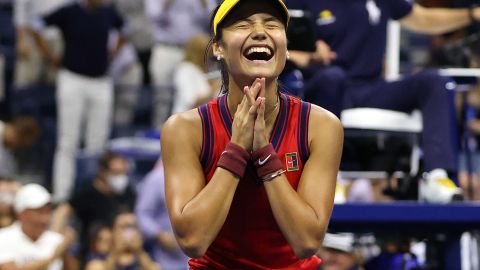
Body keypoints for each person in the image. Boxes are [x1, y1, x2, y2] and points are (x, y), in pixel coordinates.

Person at [160, 0, 343, 268]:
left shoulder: (321, 126)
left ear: (286, 47)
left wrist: (264, 154)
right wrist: (236, 149)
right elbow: (193, 240)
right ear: (218, 48)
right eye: (243, 24)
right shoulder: (185, 129)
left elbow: (306, 243)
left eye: (272, 24)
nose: (259, 31)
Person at [284, 0, 480, 201]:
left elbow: (423, 18)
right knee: (333, 78)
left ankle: (437, 176)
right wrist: (303, 54)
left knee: (434, 81)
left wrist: (472, 15)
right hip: (323, 86)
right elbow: (269, 29)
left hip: (371, 88)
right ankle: (329, 178)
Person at [30, 0, 127, 203]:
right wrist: (49, 56)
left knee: (97, 142)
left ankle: (92, 193)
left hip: (101, 81)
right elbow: (36, 26)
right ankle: (62, 194)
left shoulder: (108, 12)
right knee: (68, 140)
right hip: (72, 78)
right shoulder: (69, 11)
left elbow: (126, 30)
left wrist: (114, 53)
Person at [52, 152, 136, 261]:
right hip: (93, 251)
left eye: (124, 173)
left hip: (121, 249)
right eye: (116, 173)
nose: (120, 178)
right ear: (102, 171)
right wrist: (54, 238)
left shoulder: (127, 192)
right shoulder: (88, 192)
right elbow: (62, 211)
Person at [145, 0, 217, 129]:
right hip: (166, 48)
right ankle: (159, 132)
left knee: (199, 89)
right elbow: (155, 16)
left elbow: (213, 19)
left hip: (196, 50)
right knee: (162, 96)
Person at [0, 183, 75, 270]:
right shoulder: (3, 238)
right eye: (39, 211)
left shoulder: (57, 240)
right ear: (21, 213)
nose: (44, 219)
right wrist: (55, 254)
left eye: (48, 211)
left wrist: (66, 252)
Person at [135, 159, 189, 270]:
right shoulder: (156, 179)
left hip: (194, 257)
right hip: (164, 259)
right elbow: (142, 214)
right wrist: (159, 235)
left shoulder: (198, 174)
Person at [86, 211, 160, 270]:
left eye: (131, 227)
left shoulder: (146, 258)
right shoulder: (100, 259)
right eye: (122, 227)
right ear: (113, 231)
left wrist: (139, 252)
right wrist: (116, 253)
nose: (126, 232)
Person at [172, 33, 220, 114]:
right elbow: (191, 100)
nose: (210, 56)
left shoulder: (208, 70)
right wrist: (212, 90)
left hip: (205, 118)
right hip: (186, 120)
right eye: (207, 53)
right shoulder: (185, 70)